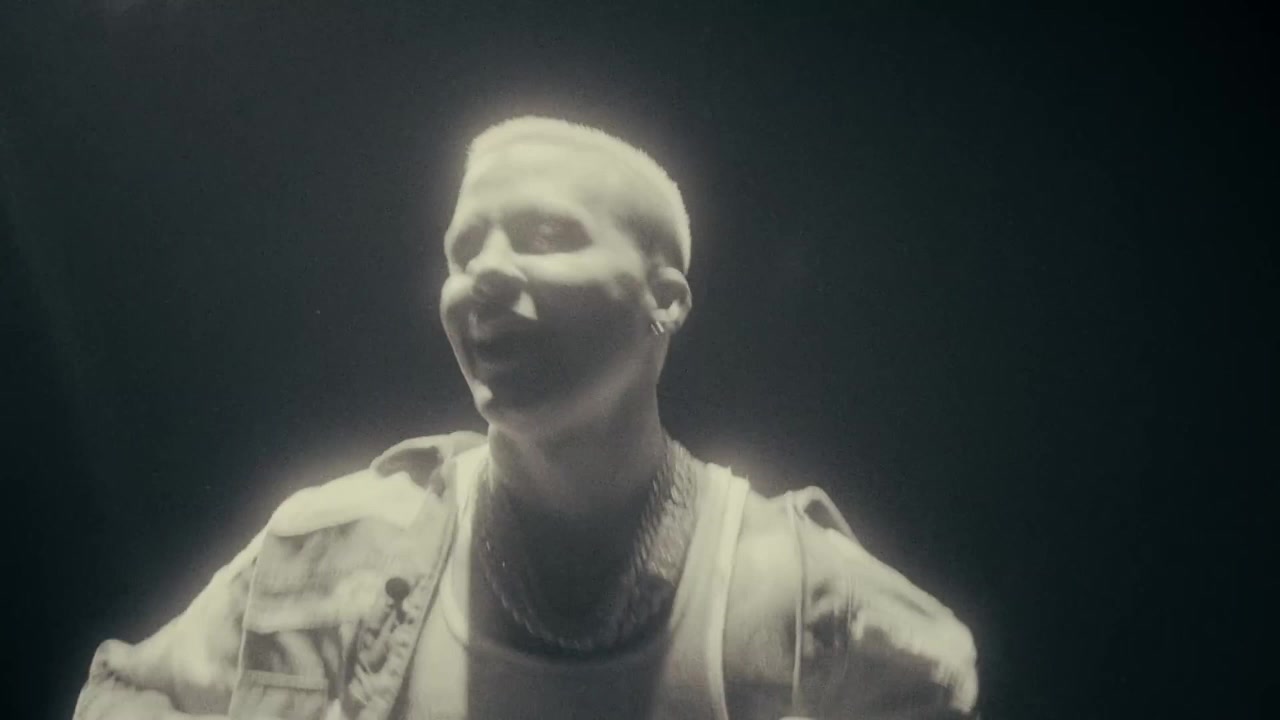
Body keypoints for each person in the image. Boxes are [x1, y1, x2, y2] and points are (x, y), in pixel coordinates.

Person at [74, 116, 979, 720]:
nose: (486, 273)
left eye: (547, 235)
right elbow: (126, 695)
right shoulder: (332, 550)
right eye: (464, 249)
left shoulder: (793, 592)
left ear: (665, 299)